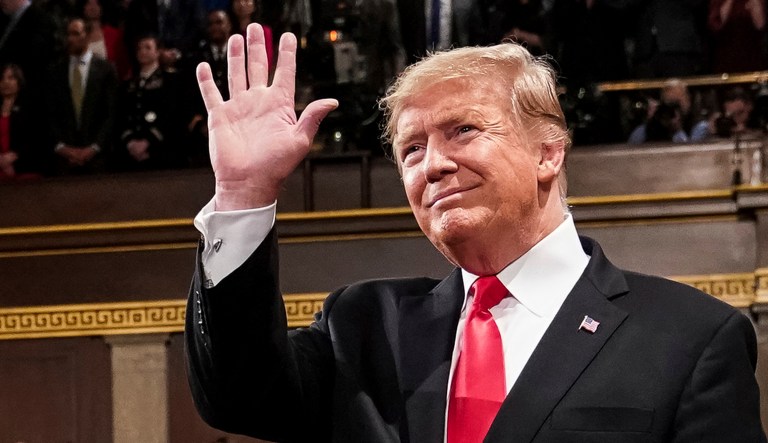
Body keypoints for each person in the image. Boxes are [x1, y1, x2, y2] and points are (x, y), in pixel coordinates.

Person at [185, 24, 766, 442]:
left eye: (462, 130)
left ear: (548, 153)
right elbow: (237, 397)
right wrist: (243, 193)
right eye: (412, 149)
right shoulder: (361, 326)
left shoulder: (691, 339)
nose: (432, 163)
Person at [47, 17, 117, 174]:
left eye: (76, 34)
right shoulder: (55, 71)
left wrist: (94, 148)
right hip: (63, 159)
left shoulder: (106, 70)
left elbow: (111, 113)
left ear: (88, 35)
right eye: (68, 34)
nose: (71, 39)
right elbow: (50, 114)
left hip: (97, 158)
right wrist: (63, 148)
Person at [116, 35, 183, 170]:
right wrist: (130, 142)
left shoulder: (170, 80)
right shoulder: (129, 84)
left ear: (158, 51)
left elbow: (173, 113)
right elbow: (121, 115)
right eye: (139, 48)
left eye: (148, 47)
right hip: (131, 153)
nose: (143, 51)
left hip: (161, 150)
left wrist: (148, 141)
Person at [0, 63, 46, 179]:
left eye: (11, 78)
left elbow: (37, 138)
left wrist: (13, 157)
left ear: (19, 82)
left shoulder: (30, 107)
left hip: (25, 166)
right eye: (2, 78)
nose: (6, 82)